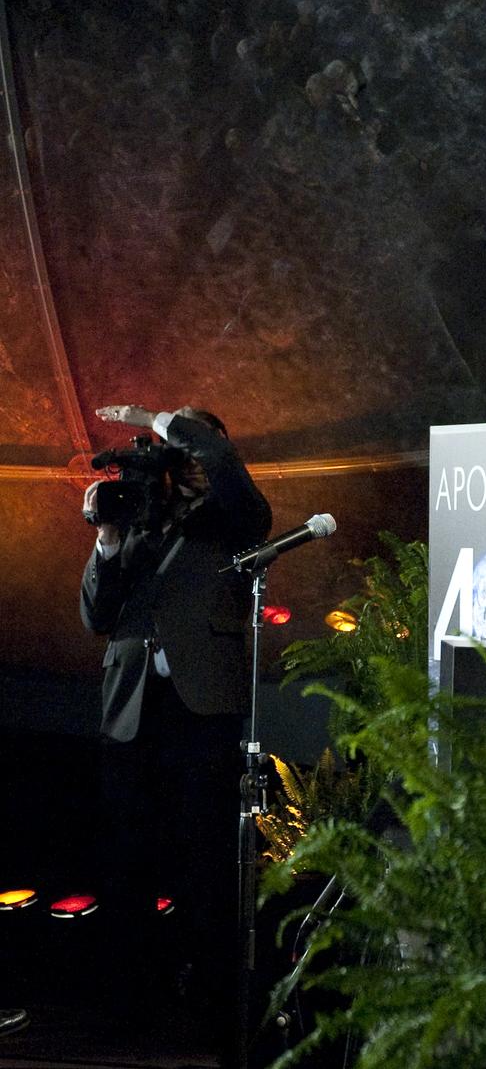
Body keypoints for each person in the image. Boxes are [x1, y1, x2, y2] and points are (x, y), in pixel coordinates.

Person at [80, 404, 271, 1029]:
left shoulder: (238, 516)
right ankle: (127, 995)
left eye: (196, 449)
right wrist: (108, 542)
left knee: (202, 855)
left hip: (202, 702)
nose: (189, 461)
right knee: (125, 853)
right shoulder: (145, 518)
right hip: (130, 703)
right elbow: (97, 616)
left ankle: (209, 996)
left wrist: (157, 418)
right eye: (178, 452)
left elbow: (221, 462)